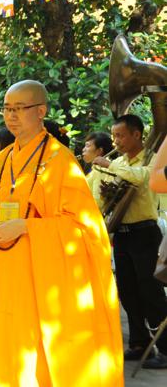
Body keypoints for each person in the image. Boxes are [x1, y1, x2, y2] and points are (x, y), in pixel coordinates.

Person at [0, 80, 124, 384]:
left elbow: (83, 226)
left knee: (44, 354)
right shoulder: (1, 161)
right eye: (7, 108)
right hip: (7, 273)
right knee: (13, 350)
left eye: (20, 108)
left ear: (41, 111)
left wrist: (26, 226)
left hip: (42, 277)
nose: (11, 116)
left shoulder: (60, 161)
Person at [92, 114, 167, 368]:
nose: (117, 141)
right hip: (123, 235)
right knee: (127, 291)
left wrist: (109, 166)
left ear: (137, 134)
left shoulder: (152, 158)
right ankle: (139, 343)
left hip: (145, 233)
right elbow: (104, 198)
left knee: (151, 292)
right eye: (114, 136)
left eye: (121, 136)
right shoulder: (119, 161)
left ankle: (165, 348)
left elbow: (142, 177)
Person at [82, 131, 114, 199]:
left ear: (99, 151)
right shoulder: (96, 168)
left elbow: (97, 200)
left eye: (87, 146)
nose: (83, 149)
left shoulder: (101, 169)